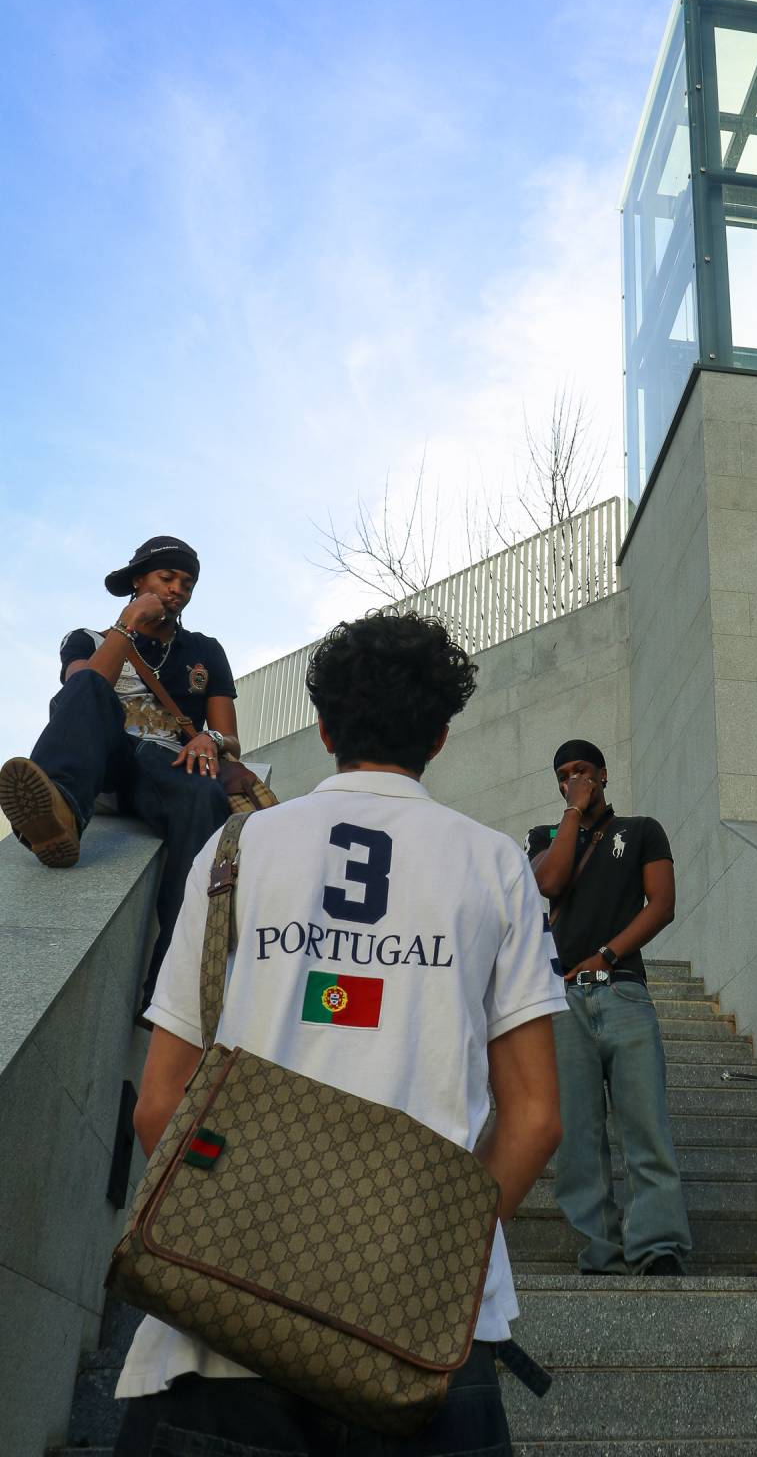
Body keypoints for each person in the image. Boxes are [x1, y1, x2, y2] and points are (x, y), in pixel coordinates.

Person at [112, 611, 564, 1457]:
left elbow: (160, 1106)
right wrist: (420, 1258)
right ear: (439, 733)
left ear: (322, 729)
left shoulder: (237, 846)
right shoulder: (496, 862)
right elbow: (536, 1118)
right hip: (424, 1343)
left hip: (223, 1328)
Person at [0, 536, 237, 1008]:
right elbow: (83, 693)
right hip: (104, 763)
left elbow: (231, 739)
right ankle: (62, 810)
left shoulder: (205, 651)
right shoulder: (87, 639)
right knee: (87, 685)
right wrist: (127, 626)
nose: (177, 590)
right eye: (166, 578)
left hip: (166, 773)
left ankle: (172, 988)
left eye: (186, 583)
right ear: (139, 583)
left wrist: (212, 739)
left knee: (204, 798)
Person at [525, 739, 691, 1277]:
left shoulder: (642, 830)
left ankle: (657, 1245)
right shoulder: (545, 838)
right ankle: (600, 1250)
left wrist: (606, 953)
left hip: (622, 988)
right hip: (562, 1000)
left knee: (644, 1123)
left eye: (583, 772)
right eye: (564, 774)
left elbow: (661, 904)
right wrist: (572, 811)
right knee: (577, 1133)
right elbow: (547, 883)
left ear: (603, 774)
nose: (574, 779)